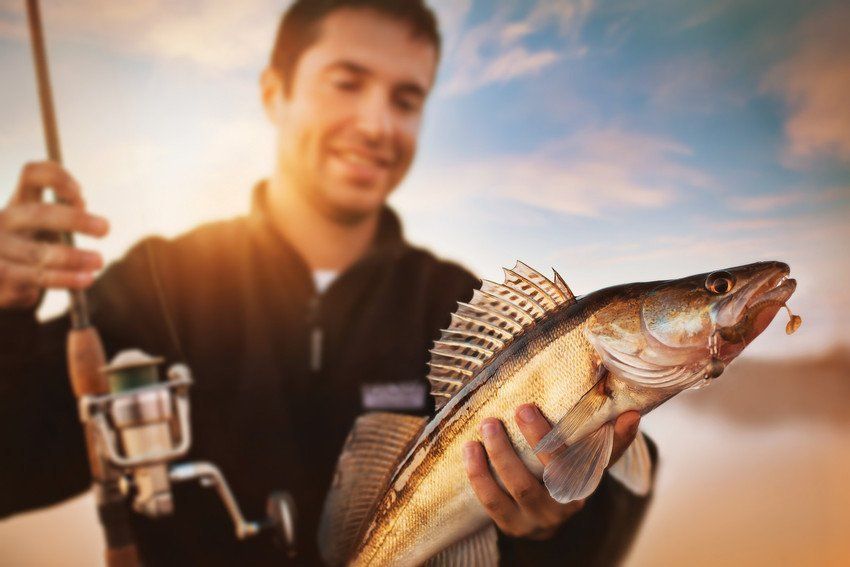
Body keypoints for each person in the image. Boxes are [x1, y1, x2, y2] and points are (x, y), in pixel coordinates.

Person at [0, 1, 654, 565]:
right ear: (273, 93)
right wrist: (4, 306)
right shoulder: (154, 285)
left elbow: (592, 529)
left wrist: (553, 524)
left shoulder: (455, 304)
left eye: (406, 99)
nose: (377, 124)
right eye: (347, 82)